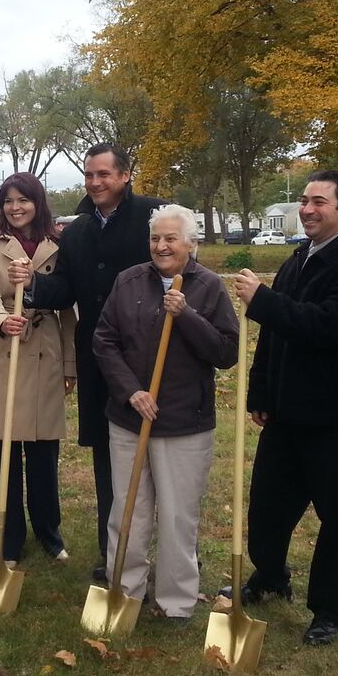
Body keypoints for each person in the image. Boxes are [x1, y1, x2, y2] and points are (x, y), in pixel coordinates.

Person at [227, 170, 338, 646]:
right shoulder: (298, 260)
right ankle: (271, 576)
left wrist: (264, 301)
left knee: (337, 519)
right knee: (268, 510)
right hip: (287, 415)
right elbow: (274, 337)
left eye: (319, 201)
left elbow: (325, 328)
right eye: (304, 200)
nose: (308, 208)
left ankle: (329, 608)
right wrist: (260, 392)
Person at [7, 143, 166, 583]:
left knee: (163, 461)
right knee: (108, 461)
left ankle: (168, 560)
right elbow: (66, 290)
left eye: (104, 175)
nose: (95, 183)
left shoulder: (154, 219)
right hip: (100, 360)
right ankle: (112, 553)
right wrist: (35, 284)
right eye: (89, 175)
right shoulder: (75, 233)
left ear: (125, 175)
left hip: (153, 357)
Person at [91, 204, 239, 620]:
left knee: (177, 517)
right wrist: (132, 391)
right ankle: (126, 588)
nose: (161, 246)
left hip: (183, 423)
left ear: (191, 244)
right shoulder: (129, 281)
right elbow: (104, 341)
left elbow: (226, 352)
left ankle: (176, 602)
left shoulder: (208, 287)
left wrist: (186, 315)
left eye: (171, 238)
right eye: (156, 238)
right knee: (128, 510)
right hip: (130, 417)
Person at [0, 173, 75, 565]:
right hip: (0, 351)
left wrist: (70, 364)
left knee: (44, 452)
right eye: (8, 201)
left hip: (44, 350)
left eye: (23, 200)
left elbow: (69, 305)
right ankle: (5, 538)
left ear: (37, 203)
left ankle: (49, 532)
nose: (15, 207)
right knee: (2, 450)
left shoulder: (59, 242)